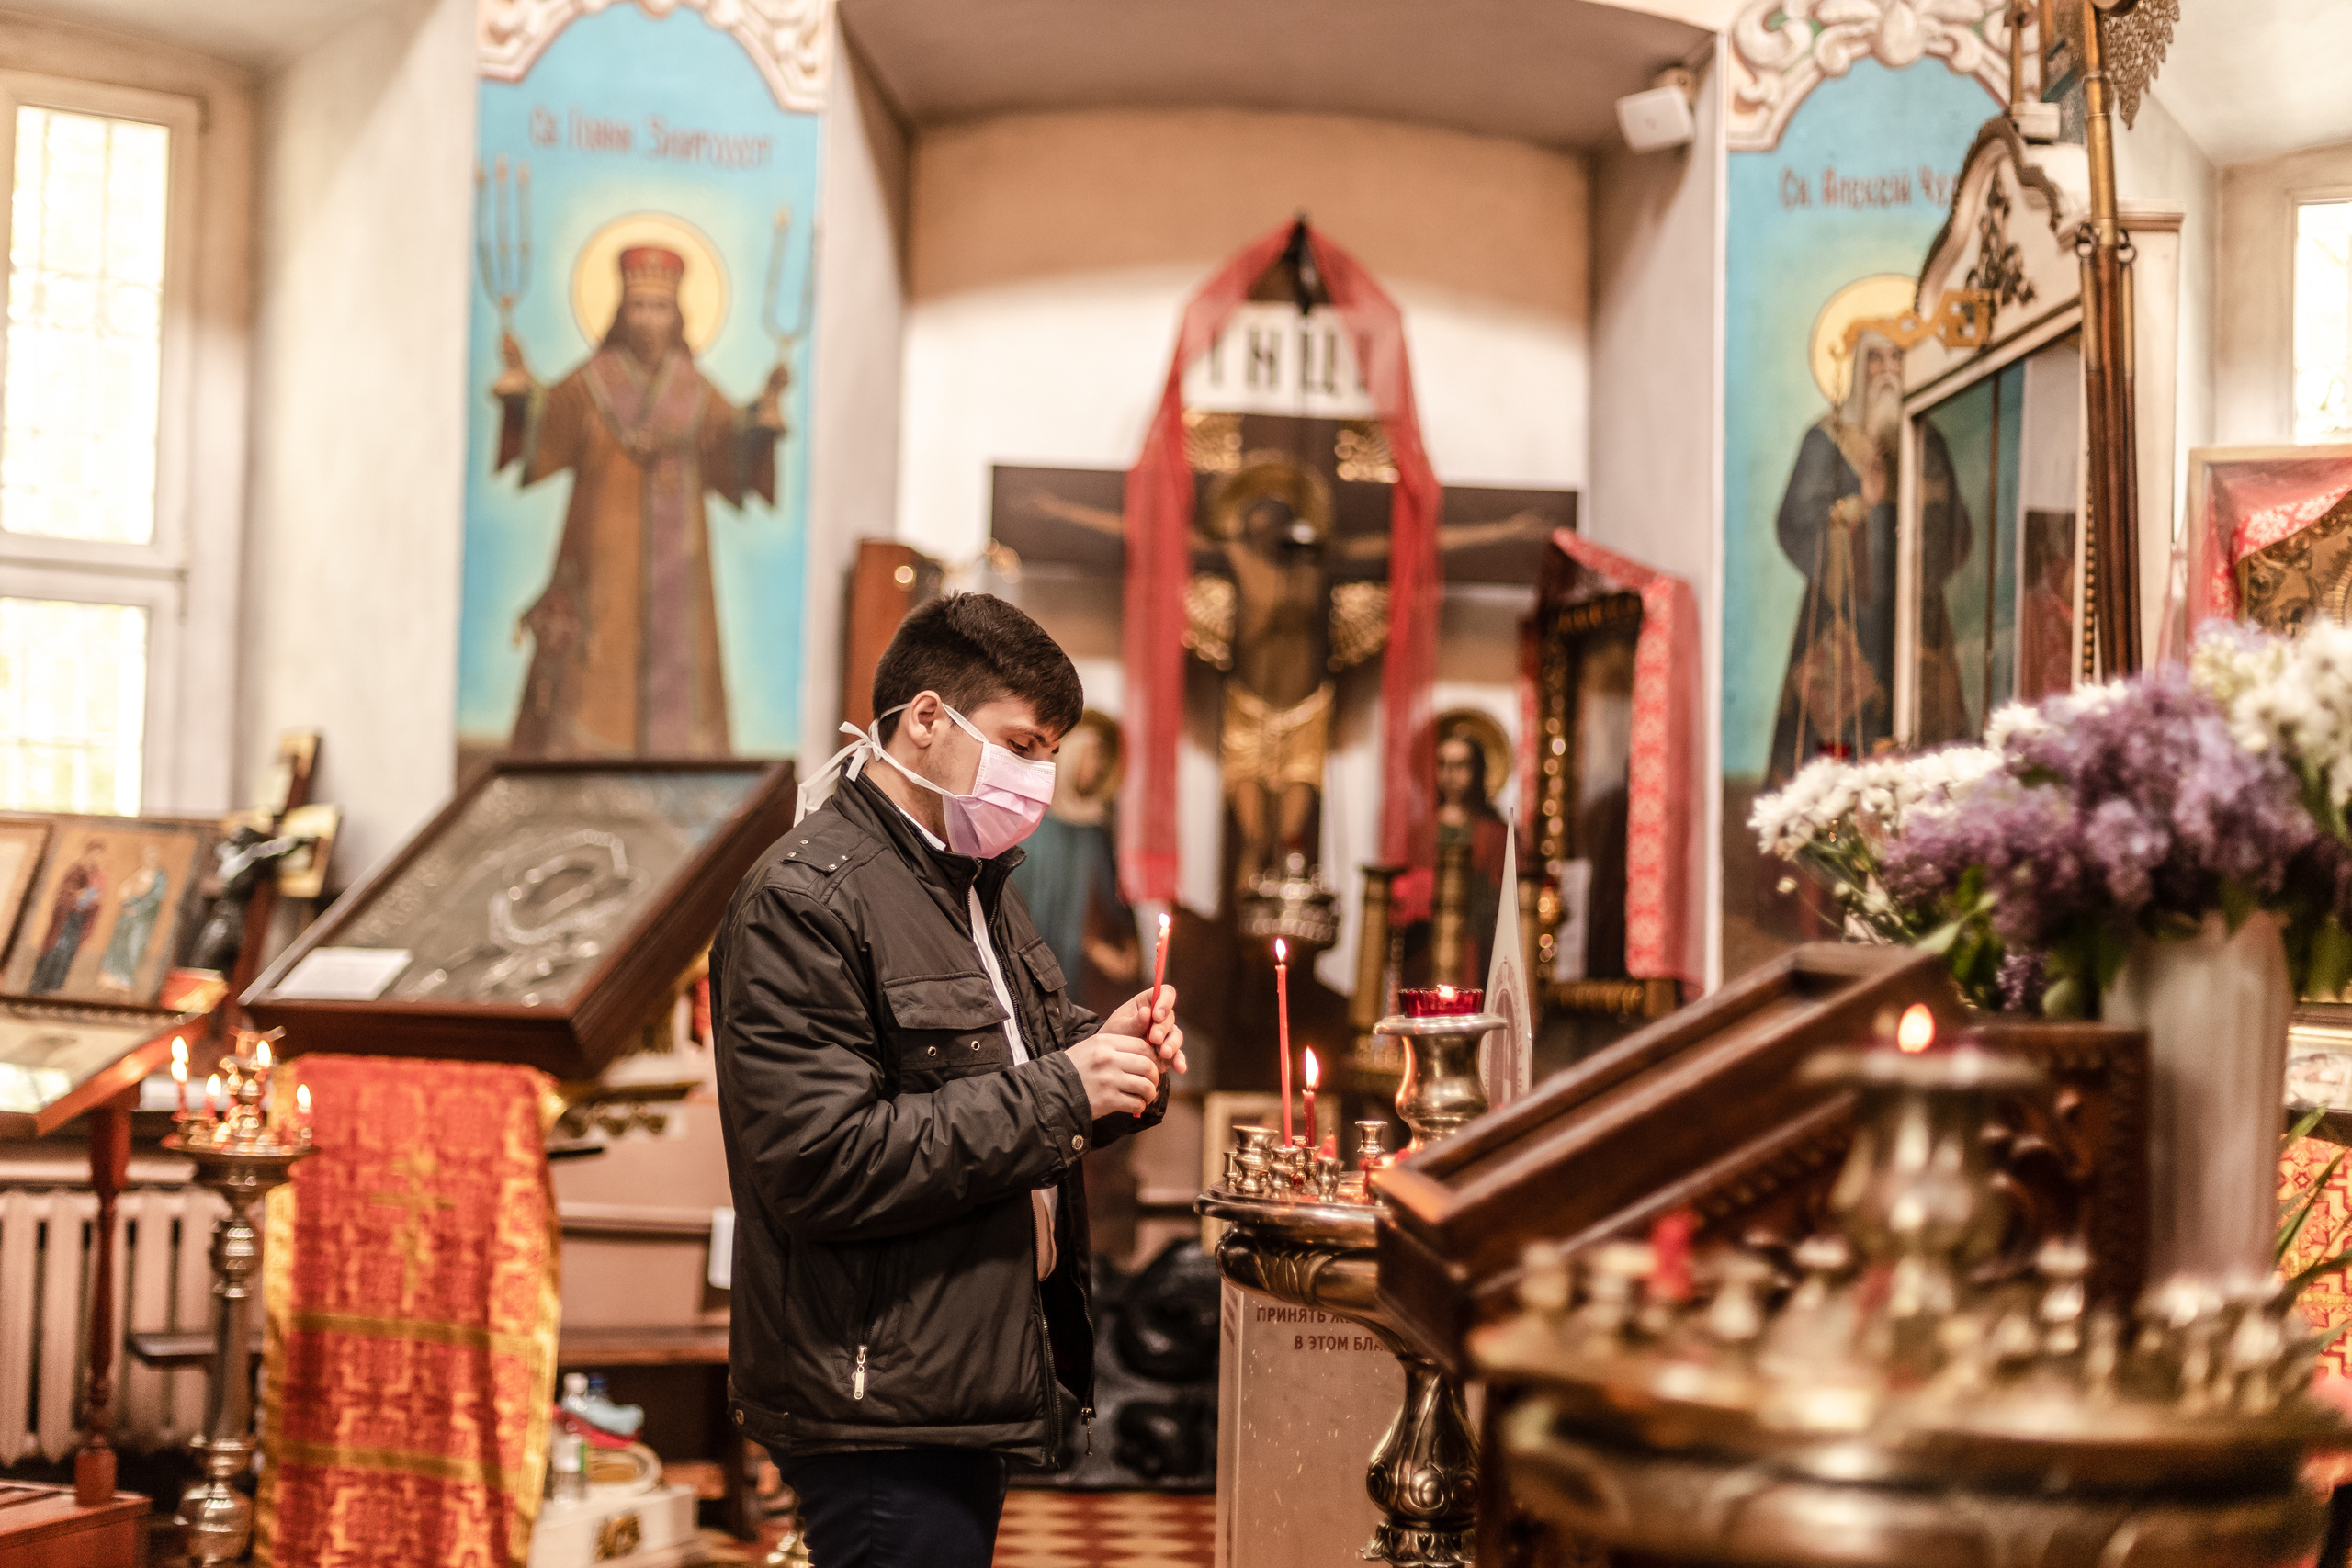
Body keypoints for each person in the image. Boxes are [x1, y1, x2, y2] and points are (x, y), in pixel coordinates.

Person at [712, 594, 1185, 1568]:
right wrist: (1067, 1087)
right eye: (1021, 743)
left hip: (958, 1369)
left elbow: (1017, 1067)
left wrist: (1122, 1057)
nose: (1039, 778)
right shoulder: (806, 900)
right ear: (926, 719)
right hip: (879, 1392)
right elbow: (821, 1160)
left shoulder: (972, 885)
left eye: (1050, 751)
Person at [492, 244, 789, 757]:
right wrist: (524, 395)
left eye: (659, 308)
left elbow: (730, 446)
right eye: (639, 307)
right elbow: (549, 422)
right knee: (595, 654)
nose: (649, 320)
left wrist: (759, 421)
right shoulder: (591, 383)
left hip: (680, 568)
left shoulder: (693, 390)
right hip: (602, 561)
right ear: (620, 314)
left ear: (677, 316)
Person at [1766, 324, 1972, 782]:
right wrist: (1863, 505)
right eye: (1876, 359)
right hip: (1841, 621)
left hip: (1914, 617)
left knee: (1924, 743)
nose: (1887, 371)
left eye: (1897, 358)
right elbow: (1795, 521)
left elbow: (1958, 530)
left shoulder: (1926, 438)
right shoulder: (1826, 440)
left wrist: (1921, 514)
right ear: (1859, 368)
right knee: (1835, 749)